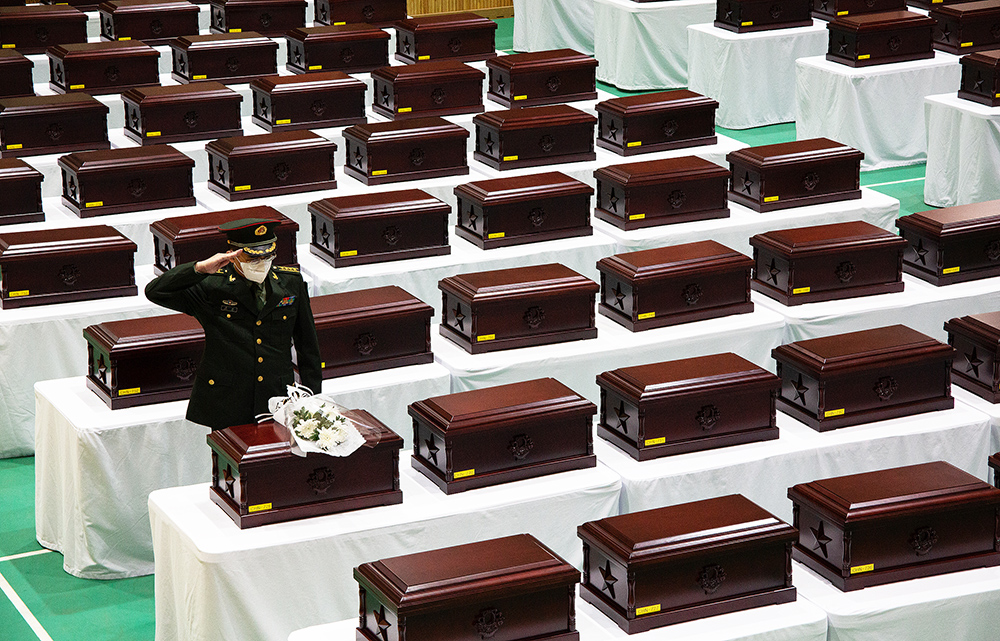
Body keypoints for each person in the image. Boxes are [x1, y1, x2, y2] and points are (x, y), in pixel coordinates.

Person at [145, 217, 323, 430]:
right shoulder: (212, 287)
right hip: (229, 401)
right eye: (253, 258)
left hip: (277, 397)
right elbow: (155, 292)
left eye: (268, 256)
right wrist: (199, 268)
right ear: (233, 255)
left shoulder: (291, 283)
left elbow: (307, 345)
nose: (262, 263)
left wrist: (312, 399)